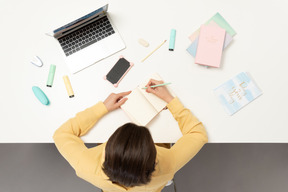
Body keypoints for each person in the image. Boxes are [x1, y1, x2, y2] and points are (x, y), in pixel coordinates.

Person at [53, 79, 208, 192]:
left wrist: (102, 108)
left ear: (107, 150)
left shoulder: (85, 167)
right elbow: (198, 134)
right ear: (153, 155)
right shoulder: (167, 166)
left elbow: (62, 134)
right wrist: (170, 100)